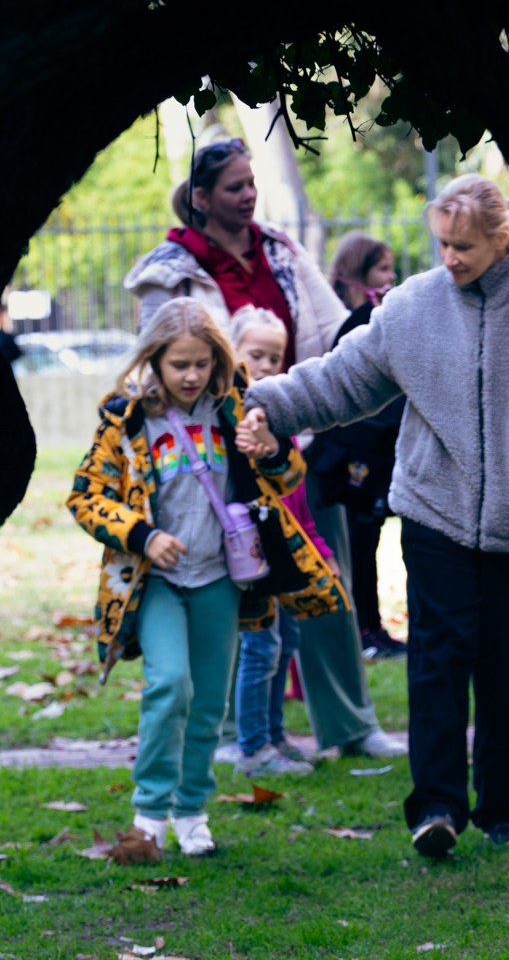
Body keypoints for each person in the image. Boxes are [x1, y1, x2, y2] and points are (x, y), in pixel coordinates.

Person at [238, 174, 509, 859]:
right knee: (437, 662)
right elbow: (342, 379)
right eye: (443, 244)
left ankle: (505, 804)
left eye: (466, 247)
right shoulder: (413, 307)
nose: (449, 258)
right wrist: (269, 402)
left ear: (503, 237)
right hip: (435, 515)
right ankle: (437, 807)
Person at [123, 134, 398, 760]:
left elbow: (332, 333)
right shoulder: (171, 272)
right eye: (233, 187)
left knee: (324, 576)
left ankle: (349, 725)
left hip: (296, 441)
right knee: (226, 591)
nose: (248, 195)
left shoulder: (281, 251)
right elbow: (159, 365)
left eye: (252, 183)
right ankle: (224, 732)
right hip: (212, 456)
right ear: (200, 198)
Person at [66, 299, 347, 854]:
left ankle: (192, 809)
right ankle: (148, 813)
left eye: (200, 363)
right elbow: (86, 496)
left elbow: (289, 472)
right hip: (159, 582)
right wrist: (143, 535)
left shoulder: (237, 407)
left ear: (217, 360)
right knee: (170, 684)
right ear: (156, 361)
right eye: (178, 365)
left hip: (222, 578)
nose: (191, 376)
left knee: (209, 703)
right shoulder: (127, 419)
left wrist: (269, 449)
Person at [229, 306, 338, 778]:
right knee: (260, 646)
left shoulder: (281, 420)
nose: (267, 366)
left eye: (275, 357)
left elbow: (296, 499)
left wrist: (321, 550)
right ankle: (252, 748)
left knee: (286, 638)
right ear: (233, 355)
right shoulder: (233, 424)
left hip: (289, 555)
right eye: (256, 354)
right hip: (252, 557)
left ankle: (273, 736)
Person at [305, 234, 407, 660]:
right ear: (357, 274)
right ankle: (360, 630)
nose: (391, 278)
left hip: (377, 454)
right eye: (382, 269)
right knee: (355, 546)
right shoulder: (355, 323)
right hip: (351, 459)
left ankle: (373, 626)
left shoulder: (380, 316)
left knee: (369, 544)